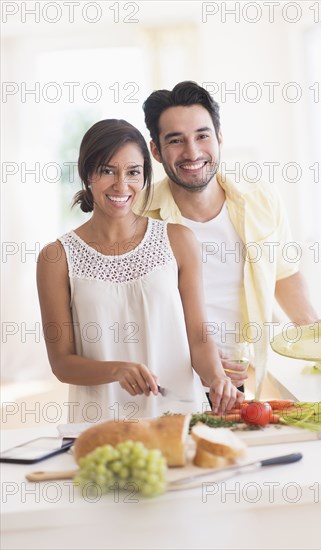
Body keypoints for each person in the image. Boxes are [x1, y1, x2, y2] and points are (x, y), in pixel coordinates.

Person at [139, 81, 321, 396]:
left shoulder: (260, 198)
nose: (192, 152)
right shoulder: (138, 214)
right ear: (156, 150)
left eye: (202, 136)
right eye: (176, 140)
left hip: (237, 376)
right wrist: (198, 356)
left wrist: (310, 328)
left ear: (220, 138)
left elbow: (283, 273)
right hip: (163, 379)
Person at [37, 119, 242, 424]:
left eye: (133, 172)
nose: (121, 185)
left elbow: (198, 339)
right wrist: (116, 370)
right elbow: (62, 363)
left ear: (145, 176)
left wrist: (217, 379)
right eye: (107, 171)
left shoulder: (178, 240)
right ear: (87, 174)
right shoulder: (55, 257)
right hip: (100, 423)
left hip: (178, 417)